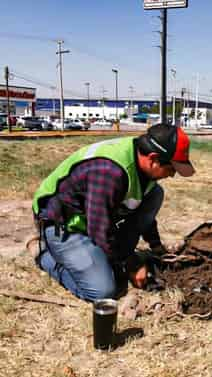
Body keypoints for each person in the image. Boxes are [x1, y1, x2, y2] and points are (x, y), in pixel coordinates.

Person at [26, 124, 195, 302]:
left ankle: (112, 257)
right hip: (64, 222)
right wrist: (130, 264)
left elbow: (141, 206)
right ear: (153, 159)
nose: (172, 175)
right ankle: (43, 253)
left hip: (95, 217)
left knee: (155, 194)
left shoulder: (143, 163)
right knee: (102, 292)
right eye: (171, 169)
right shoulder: (109, 172)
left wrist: (156, 246)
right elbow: (99, 229)